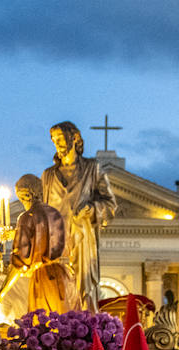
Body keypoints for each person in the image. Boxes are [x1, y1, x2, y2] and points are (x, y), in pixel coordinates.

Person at [41, 121, 117, 310]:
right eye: (54, 140)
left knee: (83, 291)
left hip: (82, 238)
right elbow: (42, 211)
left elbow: (110, 204)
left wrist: (91, 210)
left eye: (60, 138)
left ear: (74, 138)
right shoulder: (49, 176)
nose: (56, 143)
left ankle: (86, 332)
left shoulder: (92, 169)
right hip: (55, 243)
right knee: (56, 292)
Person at [0, 173, 78, 317]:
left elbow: (19, 262)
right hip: (67, 276)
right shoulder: (56, 213)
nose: (22, 202)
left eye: (20, 198)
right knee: (67, 326)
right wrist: (15, 234)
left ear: (27, 195)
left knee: (45, 329)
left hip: (44, 279)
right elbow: (47, 236)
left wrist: (0, 295)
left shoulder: (26, 218)